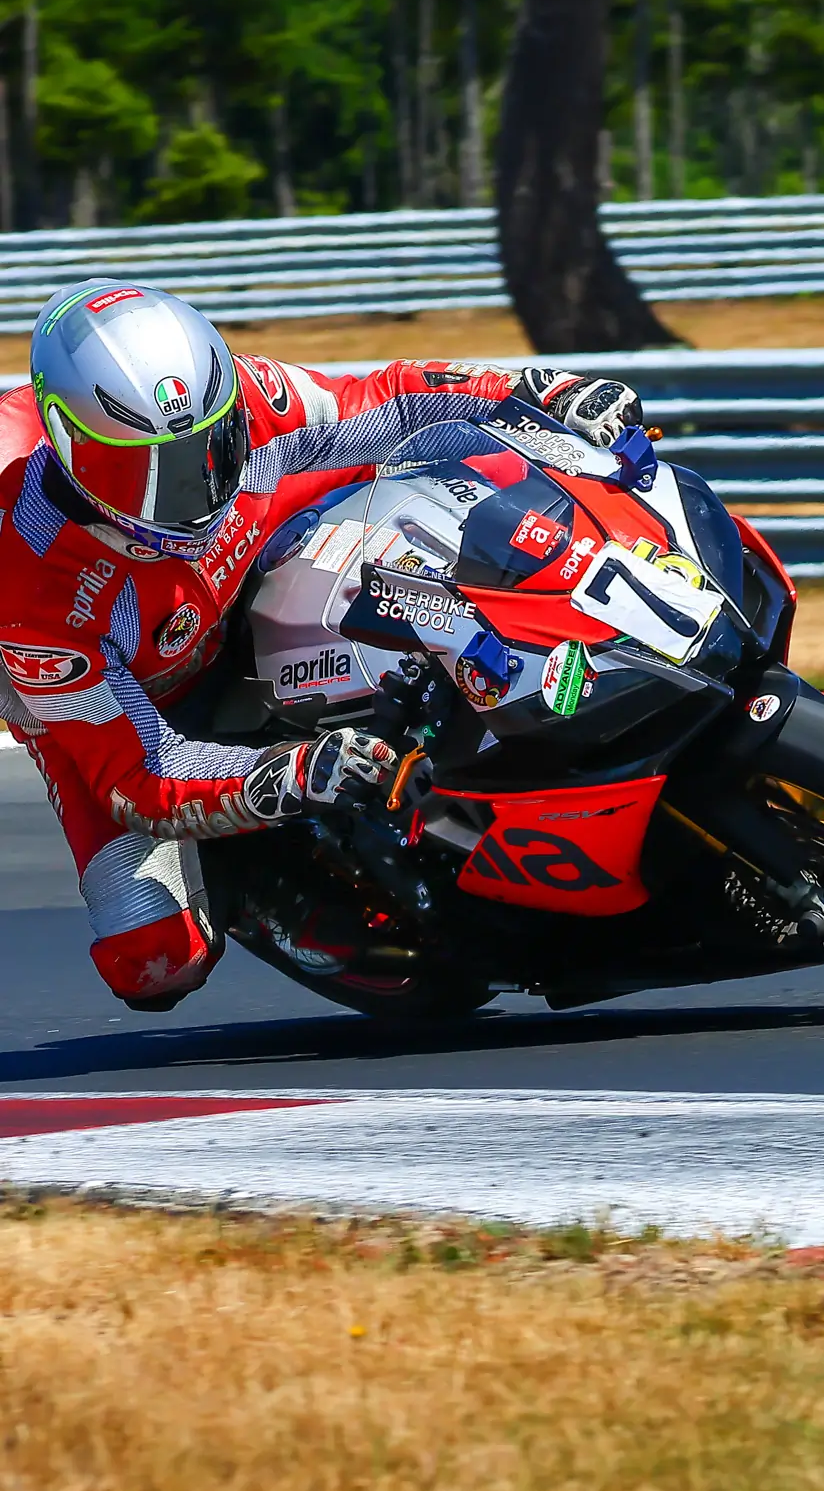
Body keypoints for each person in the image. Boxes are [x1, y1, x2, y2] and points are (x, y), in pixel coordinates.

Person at [0, 280, 644, 1008]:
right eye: (142, 468)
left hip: (267, 557)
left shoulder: (243, 396)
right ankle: (253, 879)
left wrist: (542, 391)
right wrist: (295, 775)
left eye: (210, 446)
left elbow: (390, 401)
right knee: (154, 957)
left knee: (481, 463)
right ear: (72, 449)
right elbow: (141, 775)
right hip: (132, 703)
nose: (195, 489)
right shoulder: (30, 591)